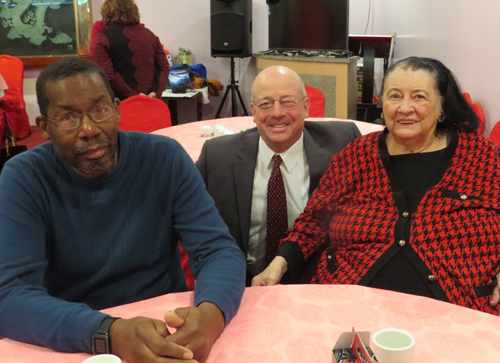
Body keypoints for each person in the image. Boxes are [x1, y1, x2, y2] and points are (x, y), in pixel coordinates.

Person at [0, 58, 245, 363]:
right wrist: (109, 333)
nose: (89, 129)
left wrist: (211, 314)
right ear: (45, 128)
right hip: (75, 337)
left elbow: (218, 250)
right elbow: (10, 297)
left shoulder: (163, 157)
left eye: (99, 110)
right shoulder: (24, 177)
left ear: (117, 110)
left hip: (165, 325)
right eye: (68, 117)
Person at [253, 57, 500, 315]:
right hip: (348, 305)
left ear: (442, 107)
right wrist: (277, 265)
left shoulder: (482, 158)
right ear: (383, 104)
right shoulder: (358, 154)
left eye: (419, 97)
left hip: (456, 311)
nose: (405, 108)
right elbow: (315, 220)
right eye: (395, 96)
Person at [197, 66, 361, 285]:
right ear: (253, 112)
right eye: (265, 104)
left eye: (288, 102)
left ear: (306, 107)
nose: (277, 113)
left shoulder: (342, 144)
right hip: (243, 285)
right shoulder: (217, 157)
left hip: (318, 283)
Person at [93, 0, 169, 100]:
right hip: (150, 101)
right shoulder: (150, 35)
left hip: (120, 103)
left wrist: (133, 96)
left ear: (106, 13)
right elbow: (164, 67)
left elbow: (108, 74)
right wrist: (154, 92)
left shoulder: (103, 38)